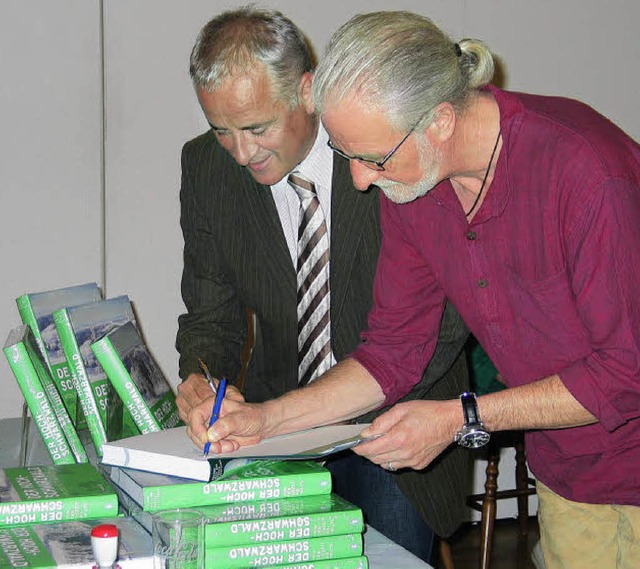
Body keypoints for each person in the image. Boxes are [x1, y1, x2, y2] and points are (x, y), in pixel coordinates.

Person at [190, 10, 640, 569]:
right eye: (349, 157)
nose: (360, 180)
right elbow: (392, 353)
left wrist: (461, 417)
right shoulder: (416, 185)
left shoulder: (586, 174)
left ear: (440, 122)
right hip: (572, 469)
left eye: (372, 158)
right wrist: (267, 420)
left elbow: (626, 374)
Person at [174, 7, 470, 562]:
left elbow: (444, 326)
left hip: (397, 423)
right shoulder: (206, 169)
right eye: (221, 131)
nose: (242, 153)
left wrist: (337, 408)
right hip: (274, 427)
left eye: (257, 128)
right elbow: (211, 314)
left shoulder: (383, 144)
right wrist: (201, 380)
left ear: (307, 91)